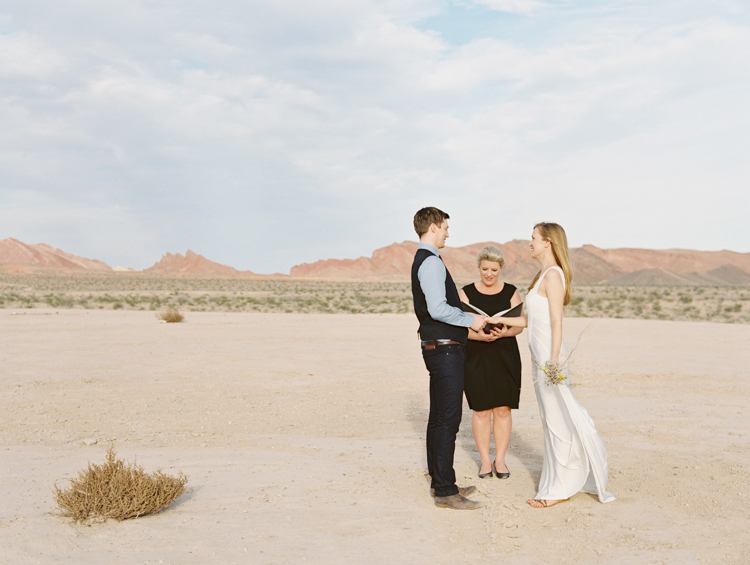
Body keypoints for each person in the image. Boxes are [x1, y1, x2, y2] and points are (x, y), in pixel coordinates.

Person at [489, 222, 615, 507]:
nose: (529, 243)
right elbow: (530, 321)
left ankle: (559, 489)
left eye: (533, 238)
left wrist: (554, 361)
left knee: (560, 422)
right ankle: (562, 481)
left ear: (547, 242)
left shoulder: (554, 275)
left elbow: (557, 322)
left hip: (550, 361)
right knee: (552, 421)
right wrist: (500, 319)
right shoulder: (541, 274)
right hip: (541, 360)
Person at [411, 207, 487, 510]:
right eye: (444, 227)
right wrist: (472, 320)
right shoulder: (430, 262)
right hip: (443, 349)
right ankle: (444, 491)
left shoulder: (427, 259)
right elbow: (438, 308)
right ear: (432, 227)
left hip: (438, 347)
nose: (447, 233)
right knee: (448, 420)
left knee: (438, 419)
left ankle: (442, 481)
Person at [458, 245, 522, 480]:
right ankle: (485, 460)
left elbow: (519, 324)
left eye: (493, 269)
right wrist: (479, 335)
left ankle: (500, 460)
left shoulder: (511, 291)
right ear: (478, 267)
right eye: (484, 269)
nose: (488, 274)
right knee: (482, 410)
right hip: (476, 355)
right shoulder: (465, 293)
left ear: (501, 269)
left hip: (505, 354)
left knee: (503, 409)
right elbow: (457, 326)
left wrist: (504, 333)